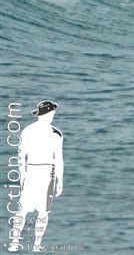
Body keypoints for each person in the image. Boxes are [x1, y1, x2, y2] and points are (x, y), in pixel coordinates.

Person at [8, 101, 64, 252]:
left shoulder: (30, 131)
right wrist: (59, 181)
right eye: (51, 113)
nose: (53, 115)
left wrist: (22, 176)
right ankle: (30, 244)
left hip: (39, 172)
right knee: (31, 211)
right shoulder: (53, 133)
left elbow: (21, 157)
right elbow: (57, 159)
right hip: (42, 173)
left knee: (33, 210)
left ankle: (26, 243)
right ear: (46, 114)